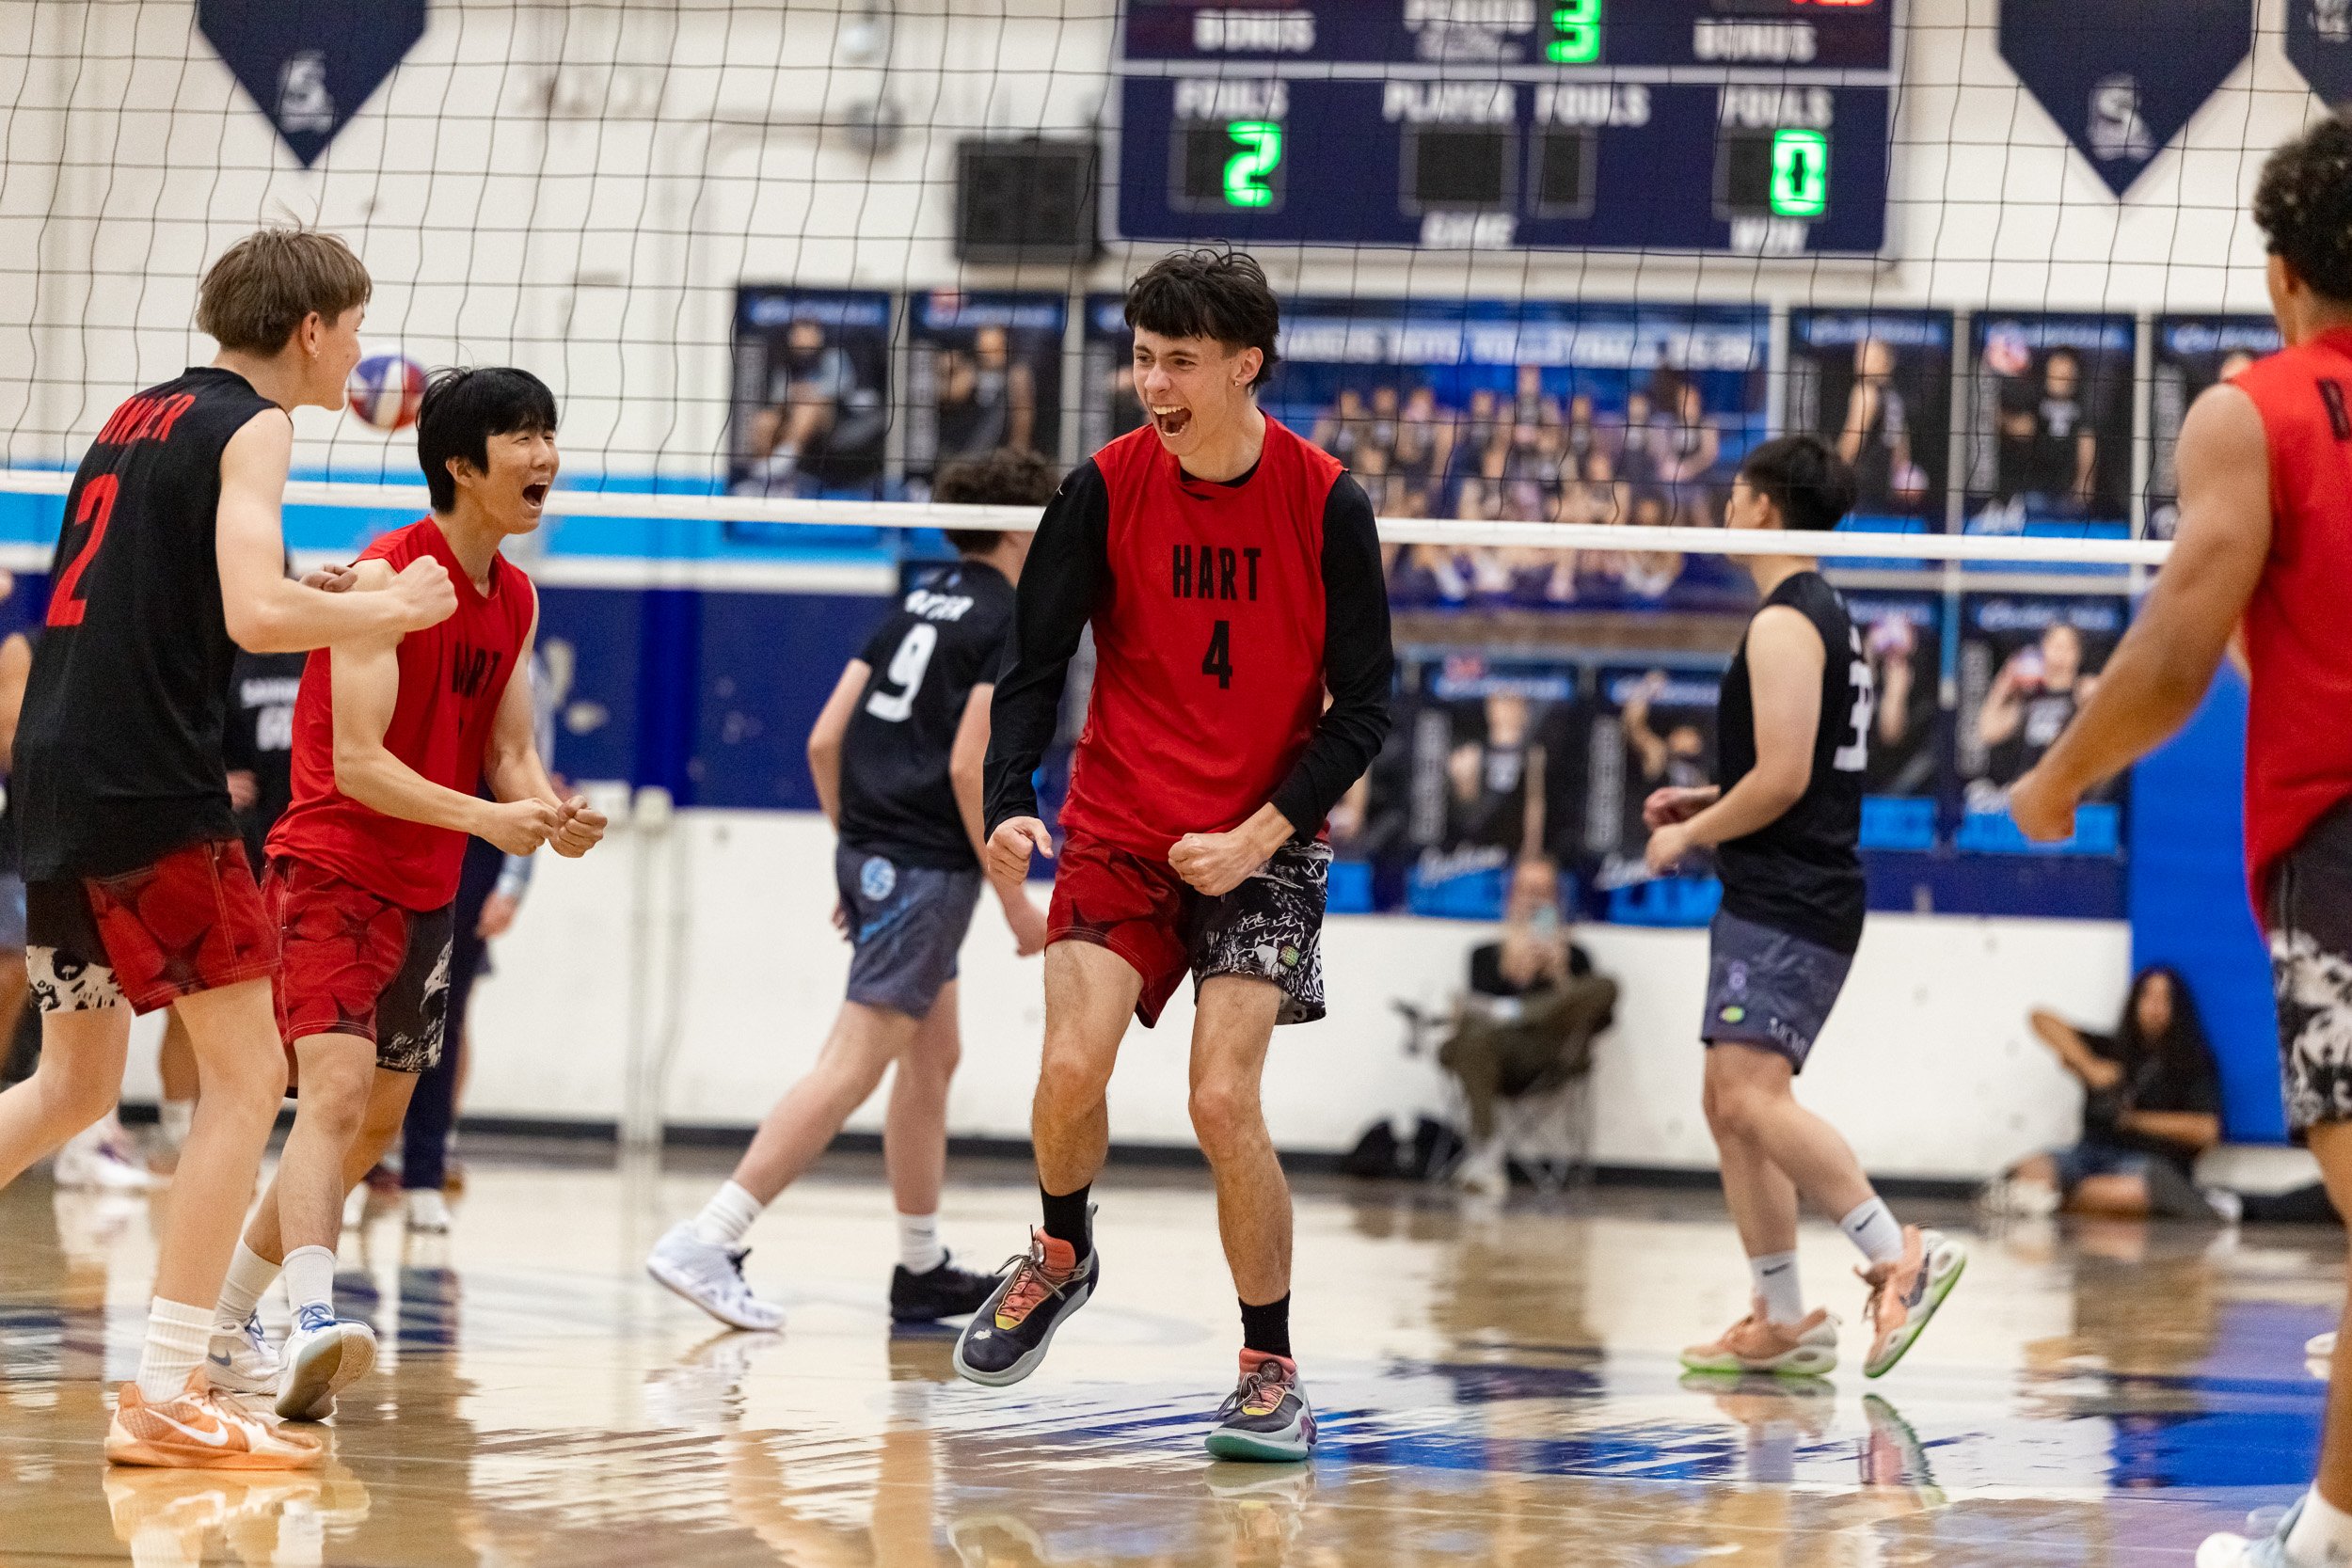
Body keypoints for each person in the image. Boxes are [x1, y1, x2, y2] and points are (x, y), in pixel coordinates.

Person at [0, 228, 461, 1467]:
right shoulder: (255, 426)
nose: (358, 351)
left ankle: (169, 1384)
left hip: (56, 773)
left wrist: (322, 592)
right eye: (351, 328)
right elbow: (258, 616)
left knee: (73, 1085)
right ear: (309, 330)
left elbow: (180, 594)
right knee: (251, 1079)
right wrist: (387, 604)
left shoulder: (135, 414)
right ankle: (164, 1389)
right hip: (149, 786)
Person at [962, 248, 1393, 1464]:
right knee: (1069, 1063)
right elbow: (1033, 665)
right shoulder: (1101, 489)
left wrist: (1262, 829)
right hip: (1120, 821)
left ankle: (1269, 1368)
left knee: (1220, 1098)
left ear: (1246, 364)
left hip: (1264, 838)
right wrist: (1009, 797)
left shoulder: (1328, 502)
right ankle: (1059, 1249)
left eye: (1181, 362)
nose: (1154, 383)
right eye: (1144, 359)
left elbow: (1366, 709)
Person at [2005, 113, 2352, 1568]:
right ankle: (2325, 1528)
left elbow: (2173, 649)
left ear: (2281, 274)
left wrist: (2058, 777)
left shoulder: (2254, 410)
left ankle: (2323, 1537)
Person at [202, 365, 601, 1425]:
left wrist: (549, 813)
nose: (545, 455)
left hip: (428, 888)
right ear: (462, 464)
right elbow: (361, 764)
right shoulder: (385, 578)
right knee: (330, 1097)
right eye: (522, 436)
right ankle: (311, 1321)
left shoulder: (515, 596)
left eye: (549, 432)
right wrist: (485, 820)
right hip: (332, 866)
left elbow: (508, 751)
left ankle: (228, 1320)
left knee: (372, 1125)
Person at [646, 447, 1056, 1331]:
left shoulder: (914, 604)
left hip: (878, 852)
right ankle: (710, 1236)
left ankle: (921, 1267)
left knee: (932, 1056)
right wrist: (1018, 903)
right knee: (852, 1063)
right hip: (925, 867)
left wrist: (860, 856)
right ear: (1023, 527)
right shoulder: (1010, 619)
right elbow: (969, 766)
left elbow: (825, 741)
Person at [1644, 435, 1965, 1384]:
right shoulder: (1816, 613)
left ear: (1763, 506)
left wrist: (1688, 836)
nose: (1726, 509)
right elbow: (1801, 769)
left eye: (1736, 494)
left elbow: (1784, 779)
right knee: (1728, 1102)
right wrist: (1710, 801)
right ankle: (1783, 1316)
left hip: (1793, 890)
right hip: (1780, 884)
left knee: (1751, 1096)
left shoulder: (1787, 621)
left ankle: (1898, 1254)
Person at [1980, 967, 2224, 1220]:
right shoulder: (2112, 1048)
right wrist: (2089, 1067)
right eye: (2147, 997)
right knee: (2030, 1171)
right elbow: (2040, 1018)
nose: (2154, 1007)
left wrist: (2134, 1120)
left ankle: (2058, 1200)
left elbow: (2206, 1131)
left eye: (2164, 999)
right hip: (2088, 1154)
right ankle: (2055, 1198)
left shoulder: (2192, 1063)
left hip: (2148, 1163)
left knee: (2130, 1192)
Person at [1441, 858, 1618, 1196]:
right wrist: (1516, 975)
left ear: (1556, 899)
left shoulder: (1576, 956)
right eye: (1526, 890)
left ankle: (1514, 1011)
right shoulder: (1485, 955)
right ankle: (1487, 1152)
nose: (1534, 900)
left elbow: (1598, 1021)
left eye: (1542, 891)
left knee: (1606, 986)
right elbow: (1473, 1016)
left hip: (1552, 1053)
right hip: (1498, 1052)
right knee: (1471, 1035)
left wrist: (1560, 976)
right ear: (1511, 897)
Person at [1995, 349, 2098, 515]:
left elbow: (2086, 442)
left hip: (2067, 488)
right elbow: (2023, 428)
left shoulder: (2082, 403)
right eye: (2056, 372)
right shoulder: (2035, 397)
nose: (2061, 378)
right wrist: (2000, 418)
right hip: (2035, 485)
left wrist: (2085, 480)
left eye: (2065, 373)